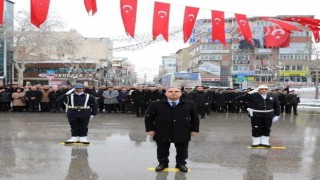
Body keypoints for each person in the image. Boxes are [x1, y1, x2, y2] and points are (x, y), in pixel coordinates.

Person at [145, 87, 199, 172]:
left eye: (176, 91)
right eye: (170, 91)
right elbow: (149, 117)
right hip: (162, 130)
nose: (173, 93)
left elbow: (195, 118)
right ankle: (163, 163)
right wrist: (150, 129)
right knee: (162, 148)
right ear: (166, 93)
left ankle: (181, 163)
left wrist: (194, 129)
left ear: (180, 93)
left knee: (182, 149)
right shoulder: (156, 104)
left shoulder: (190, 104)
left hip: (182, 130)